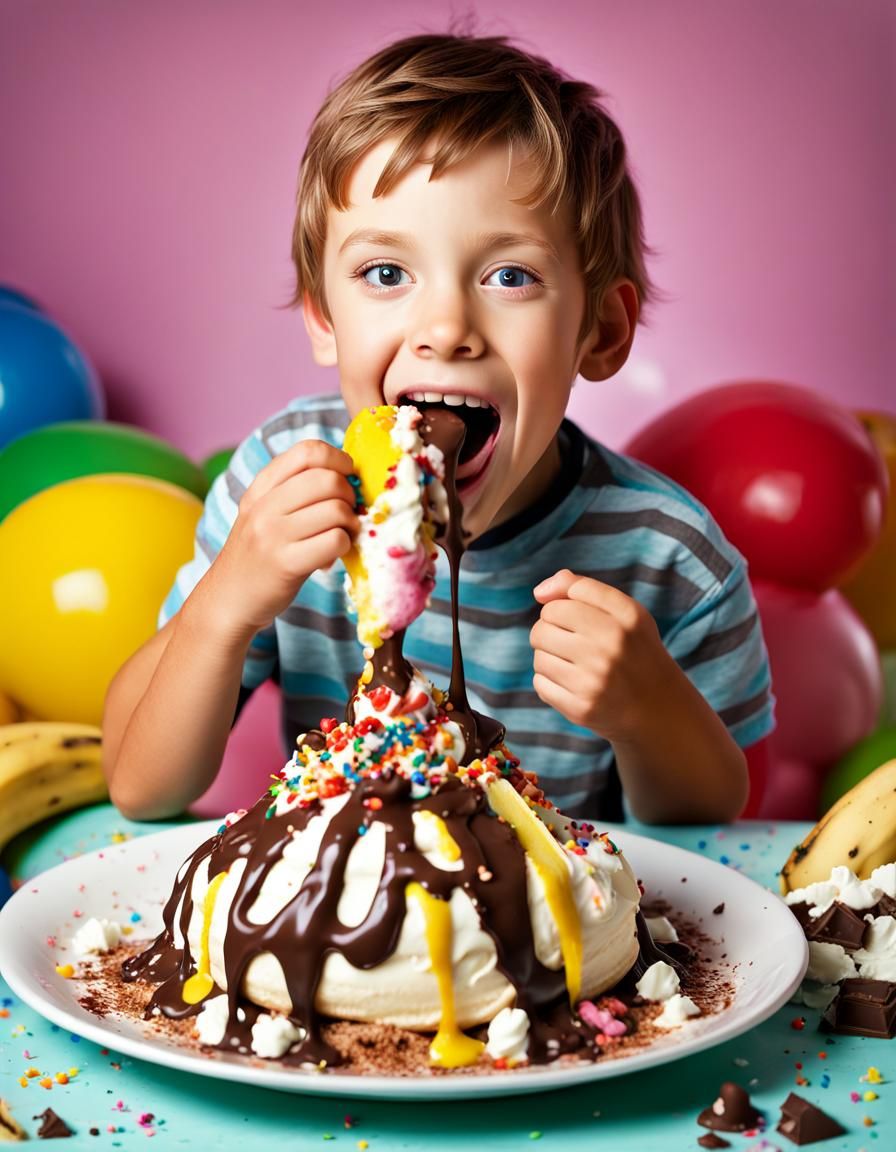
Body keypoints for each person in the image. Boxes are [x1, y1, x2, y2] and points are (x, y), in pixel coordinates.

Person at [103, 31, 773, 826]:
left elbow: (710, 823)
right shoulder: (280, 484)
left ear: (599, 332)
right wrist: (225, 606)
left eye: (510, 276)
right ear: (323, 317)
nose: (446, 327)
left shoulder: (669, 557)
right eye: (386, 274)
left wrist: (647, 708)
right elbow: (141, 786)